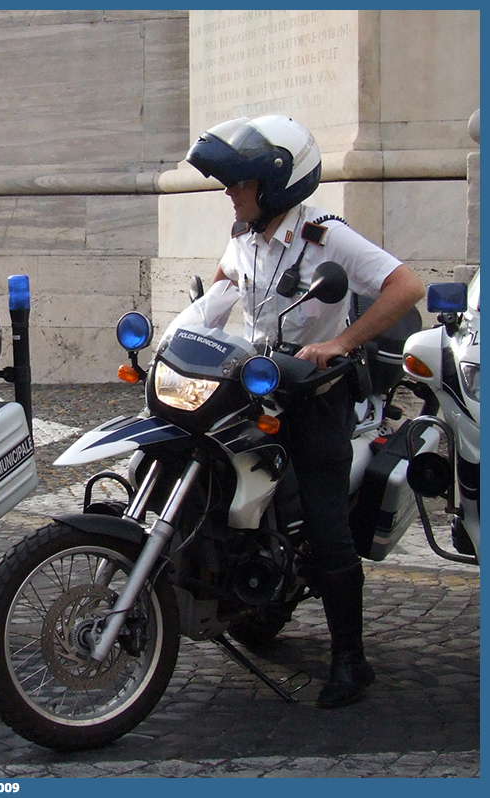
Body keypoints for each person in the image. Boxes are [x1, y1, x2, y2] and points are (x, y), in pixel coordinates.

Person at [186, 115, 425, 708]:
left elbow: (406, 288)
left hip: (316, 396)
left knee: (325, 526)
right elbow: (218, 296)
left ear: (275, 187)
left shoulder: (327, 237)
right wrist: (180, 339)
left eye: (238, 183)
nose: (229, 192)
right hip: (257, 386)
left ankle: (350, 659)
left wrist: (340, 344)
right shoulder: (242, 236)